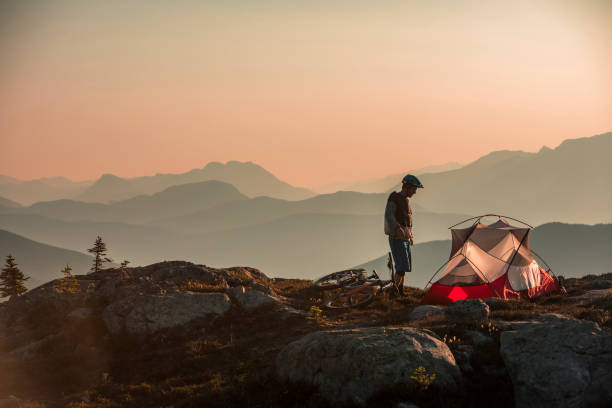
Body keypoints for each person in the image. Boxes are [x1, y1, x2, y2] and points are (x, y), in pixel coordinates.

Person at [384, 174, 424, 295]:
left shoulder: (405, 201)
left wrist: (410, 235)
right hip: (396, 238)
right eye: (414, 189)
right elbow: (389, 215)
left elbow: (406, 222)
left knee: (404, 267)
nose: (415, 192)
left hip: (405, 239)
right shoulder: (394, 198)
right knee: (401, 267)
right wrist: (397, 227)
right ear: (407, 186)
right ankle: (394, 292)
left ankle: (400, 291)